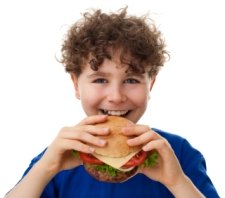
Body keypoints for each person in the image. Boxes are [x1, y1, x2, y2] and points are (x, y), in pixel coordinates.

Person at [5, 7, 219, 198]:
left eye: (131, 80)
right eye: (100, 80)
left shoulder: (178, 153)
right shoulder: (56, 155)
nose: (116, 96)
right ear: (76, 85)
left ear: (150, 85)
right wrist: (45, 169)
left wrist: (176, 181)